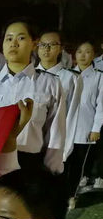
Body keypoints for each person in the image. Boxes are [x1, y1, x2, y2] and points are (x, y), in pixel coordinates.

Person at [0, 19, 66, 174]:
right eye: (9, 39)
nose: (13, 43)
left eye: (21, 38)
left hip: (29, 167)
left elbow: (56, 134)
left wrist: (52, 173)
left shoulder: (49, 84)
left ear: (34, 44)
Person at [35, 31, 82, 164]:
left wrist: (63, 153)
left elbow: (72, 116)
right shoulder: (28, 76)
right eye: (42, 45)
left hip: (54, 147)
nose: (46, 49)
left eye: (52, 44)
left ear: (61, 48)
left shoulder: (71, 78)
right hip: (29, 145)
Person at [65, 41, 103, 205]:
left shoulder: (99, 77)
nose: (83, 55)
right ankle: (60, 194)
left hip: (84, 129)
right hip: (65, 128)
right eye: (79, 51)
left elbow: (101, 105)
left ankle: (71, 196)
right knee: (62, 165)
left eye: (87, 52)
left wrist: (96, 128)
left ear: (93, 55)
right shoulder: (66, 75)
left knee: (77, 165)